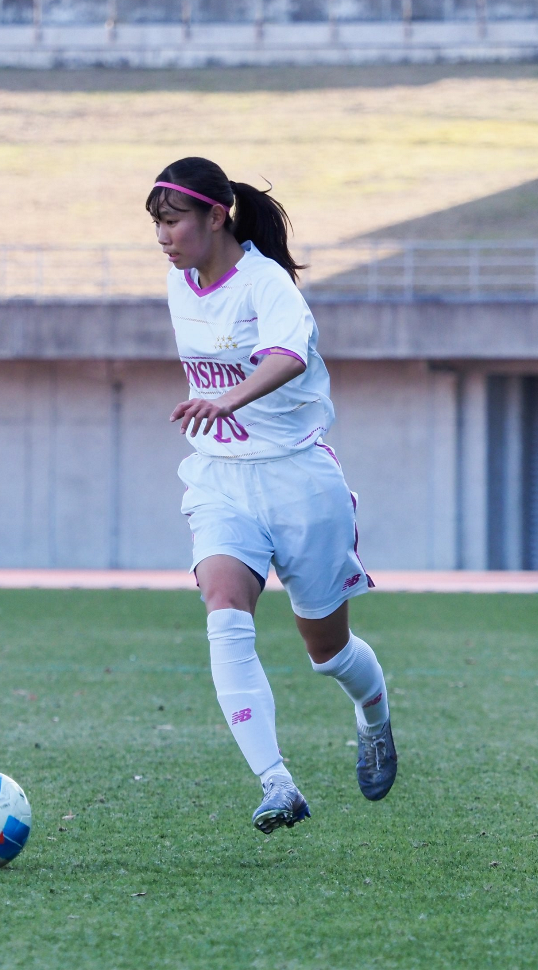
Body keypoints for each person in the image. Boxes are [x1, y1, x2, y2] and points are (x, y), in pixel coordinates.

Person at [147, 157, 397, 834]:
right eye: (157, 227)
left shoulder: (267, 285)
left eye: (173, 223)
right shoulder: (180, 286)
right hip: (223, 477)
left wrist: (228, 395)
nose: (164, 238)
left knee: (329, 653)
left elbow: (287, 357)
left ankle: (374, 715)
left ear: (216, 215)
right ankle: (277, 782)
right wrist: (220, 414)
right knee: (224, 606)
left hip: (298, 480)